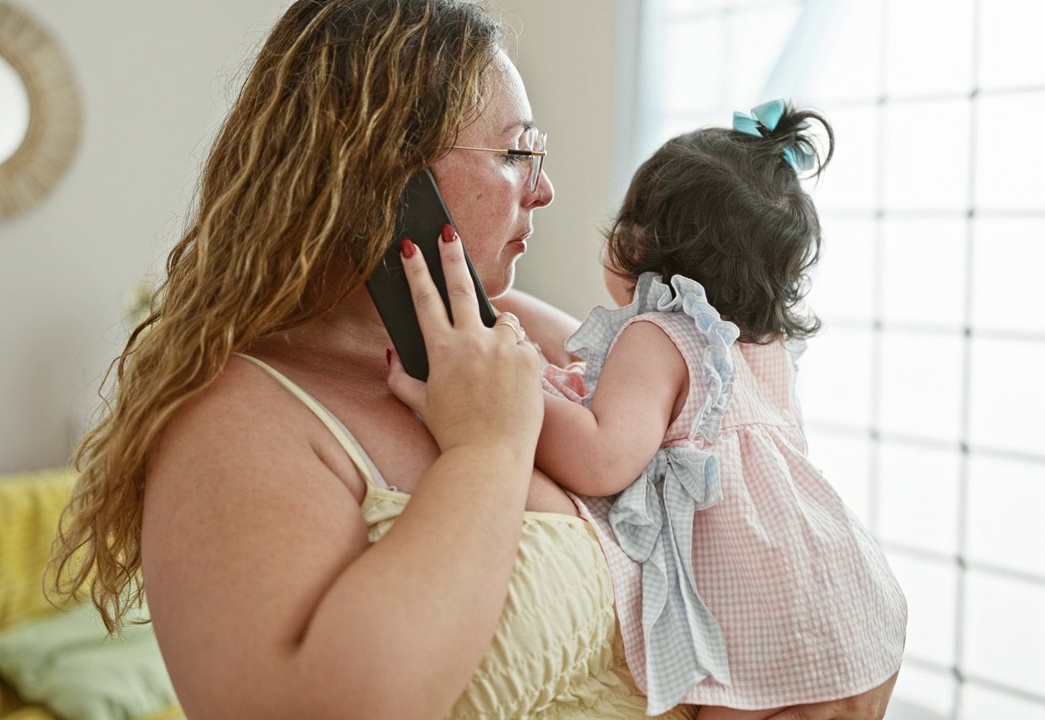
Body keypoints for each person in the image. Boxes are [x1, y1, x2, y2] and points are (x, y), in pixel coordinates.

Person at [48, 1, 897, 717]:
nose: (546, 189)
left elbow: (719, 462)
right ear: (380, 170)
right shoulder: (237, 422)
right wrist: (487, 450)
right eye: (518, 150)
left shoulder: (511, 339)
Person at [531, 101, 908, 719]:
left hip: (770, 632)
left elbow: (602, 459)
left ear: (634, 241)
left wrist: (518, 390)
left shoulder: (655, 334)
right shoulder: (762, 346)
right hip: (856, 602)